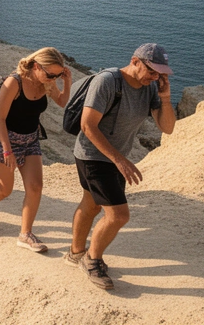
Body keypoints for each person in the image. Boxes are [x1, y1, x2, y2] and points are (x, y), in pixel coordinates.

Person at [68, 43, 176, 290]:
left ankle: (75, 253)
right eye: (152, 71)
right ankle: (91, 260)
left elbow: (168, 128)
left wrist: (166, 98)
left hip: (115, 157)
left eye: (160, 73)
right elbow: (87, 126)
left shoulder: (150, 88)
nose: (155, 77)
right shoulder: (107, 82)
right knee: (118, 215)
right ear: (135, 61)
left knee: (91, 204)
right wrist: (119, 160)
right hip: (93, 155)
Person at [0, 48, 72, 252]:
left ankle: (25, 234)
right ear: (36, 66)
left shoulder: (47, 82)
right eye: (50, 74)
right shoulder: (14, 83)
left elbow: (62, 102)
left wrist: (66, 81)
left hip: (30, 139)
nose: (53, 79)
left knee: (35, 187)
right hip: (3, 140)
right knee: (4, 189)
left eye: (57, 75)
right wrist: (7, 150)